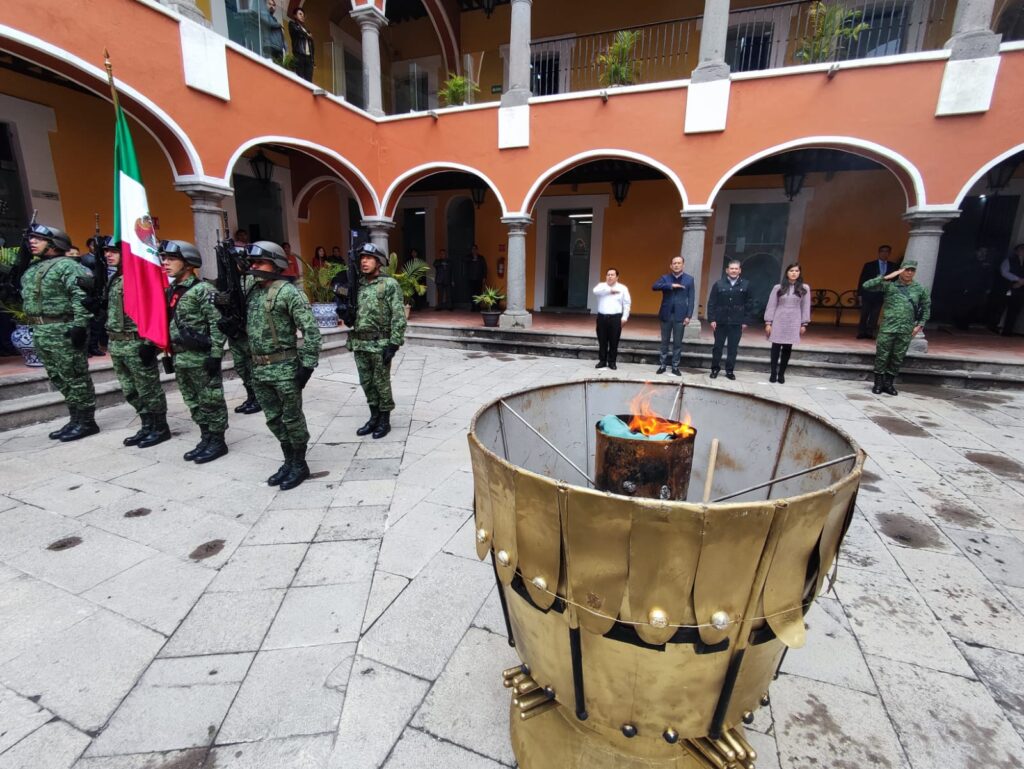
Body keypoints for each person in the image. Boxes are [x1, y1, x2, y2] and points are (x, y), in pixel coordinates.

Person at [245, 241, 322, 490]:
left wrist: (307, 366)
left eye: (259, 262)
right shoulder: (252, 291)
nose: (253, 266)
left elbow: (311, 331)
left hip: (284, 368)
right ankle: (288, 459)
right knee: (273, 419)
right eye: (252, 262)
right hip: (259, 368)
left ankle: (299, 463)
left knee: (292, 419)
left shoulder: (289, 292)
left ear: (275, 263)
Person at [21, 223, 99, 441]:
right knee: (59, 376)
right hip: (42, 330)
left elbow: (81, 297)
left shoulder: (68, 266)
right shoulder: (33, 268)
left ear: (55, 243)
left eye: (38, 239)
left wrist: (81, 325)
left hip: (63, 329)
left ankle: (86, 421)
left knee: (75, 376)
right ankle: (75, 418)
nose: (32, 242)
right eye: (31, 239)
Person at [161, 239, 230, 463]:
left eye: (172, 259)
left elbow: (217, 324)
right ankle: (206, 437)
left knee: (211, 400)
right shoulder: (171, 290)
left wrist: (215, 355)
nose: (166, 263)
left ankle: (218, 441)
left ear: (188, 263)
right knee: (192, 400)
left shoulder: (204, 290)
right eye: (165, 258)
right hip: (181, 356)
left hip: (201, 357)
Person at [103, 237, 170, 448]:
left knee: (148, 388)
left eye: (114, 251)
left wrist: (151, 342)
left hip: (136, 342)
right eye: (106, 251)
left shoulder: (140, 278)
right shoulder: (115, 278)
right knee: (130, 389)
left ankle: (160, 427)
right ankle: (146, 424)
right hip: (117, 342)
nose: (108, 255)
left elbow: (156, 310)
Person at [348, 242, 407, 439]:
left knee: (381, 383)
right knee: (367, 383)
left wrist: (394, 343)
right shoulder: (359, 284)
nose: (364, 261)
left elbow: (398, 315)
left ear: (379, 262)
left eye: (369, 258)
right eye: (362, 258)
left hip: (380, 343)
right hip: (359, 343)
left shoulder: (389, 284)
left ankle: (384, 420)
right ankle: (373, 417)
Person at [862, 259, 931, 396]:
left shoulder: (920, 289)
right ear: (901, 270)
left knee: (898, 356)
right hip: (888, 327)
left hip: (906, 328)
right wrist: (888, 276)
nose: (909, 273)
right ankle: (878, 383)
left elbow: (926, 307)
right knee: (882, 355)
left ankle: (889, 384)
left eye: (912, 270)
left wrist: (920, 325)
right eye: (906, 269)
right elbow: (866, 285)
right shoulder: (889, 286)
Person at [707, 259, 755, 380]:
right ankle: (714, 369)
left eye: (736, 268)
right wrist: (712, 319)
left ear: (740, 270)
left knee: (732, 348)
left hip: (736, 322)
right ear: (727, 270)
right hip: (720, 321)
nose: (733, 270)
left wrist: (745, 321)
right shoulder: (718, 284)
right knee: (717, 347)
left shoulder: (746, 284)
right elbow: (712, 303)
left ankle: (729, 371)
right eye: (731, 268)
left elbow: (750, 304)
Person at [763, 263, 811, 384]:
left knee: (787, 348)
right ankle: (773, 372)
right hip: (779, 319)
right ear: (787, 273)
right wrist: (769, 322)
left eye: (796, 271)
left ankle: (781, 374)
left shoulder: (804, 288)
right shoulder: (778, 288)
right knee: (775, 347)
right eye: (791, 271)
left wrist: (804, 323)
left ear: (799, 273)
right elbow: (771, 305)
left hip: (794, 320)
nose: (794, 273)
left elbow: (805, 306)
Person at [652, 255, 695, 376]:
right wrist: (670, 286)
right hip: (666, 314)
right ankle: (662, 365)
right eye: (674, 263)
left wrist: (689, 316)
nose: (676, 265)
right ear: (671, 265)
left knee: (677, 342)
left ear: (683, 265)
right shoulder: (665, 278)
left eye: (679, 263)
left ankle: (675, 366)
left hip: (681, 316)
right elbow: (654, 286)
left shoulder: (689, 279)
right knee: (664, 341)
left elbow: (691, 299)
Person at [592, 268, 631, 370]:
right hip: (602, 317)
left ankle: (612, 362)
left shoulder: (623, 288)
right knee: (602, 340)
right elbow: (595, 291)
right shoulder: (601, 286)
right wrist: (609, 290)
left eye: (612, 275)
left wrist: (625, 317)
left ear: (617, 277)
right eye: (608, 274)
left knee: (614, 341)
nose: (610, 276)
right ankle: (602, 361)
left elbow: (627, 303)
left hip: (616, 318)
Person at [856, 245, 897, 339]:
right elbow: (862, 279)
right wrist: (860, 294)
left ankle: (870, 332)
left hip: (881, 294)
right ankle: (861, 332)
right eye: (882, 251)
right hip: (868, 293)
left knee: (875, 314)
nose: (884, 253)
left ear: (889, 253)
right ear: (879, 253)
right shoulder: (869, 265)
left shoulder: (892, 266)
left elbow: (894, 280)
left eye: (887, 251)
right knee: (864, 313)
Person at [953, 246, 993, 330]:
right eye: (981, 251)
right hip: (968, 287)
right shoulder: (970, 262)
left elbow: (989, 277)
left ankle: (967, 323)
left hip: (980, 289)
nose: (983, 254)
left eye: (985, 252)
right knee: (964, 306)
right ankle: (959, 324)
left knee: (976, 306)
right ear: (976, 252)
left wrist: (988, 288)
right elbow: (964, 274)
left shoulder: (988, 264)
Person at [997, 243, 1024, 336]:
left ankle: (1008, 330)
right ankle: (993, 326)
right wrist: (1017, 280)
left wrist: (1021, 282)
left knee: (1015, 310)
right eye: (1021, 249)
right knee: (1001, 307)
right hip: (1009, 287)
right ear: (1016, 251)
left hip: (1020, 290)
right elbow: (1004, 272)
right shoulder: (1009, 260)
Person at [288, 8, 314, 82]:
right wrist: (307, 35)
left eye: (303, 14)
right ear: (295, 16)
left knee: (309, 81)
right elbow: (298, 31)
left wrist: (313, 59)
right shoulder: (292, 24)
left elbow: (312, 46)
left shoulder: (307, 30)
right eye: (300, 14)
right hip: (299, 55)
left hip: (309, 57)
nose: (302, 16)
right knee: (300, 79)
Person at [466, 244, 487, 310]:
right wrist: (472, 258)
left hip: (479, 278)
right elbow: (463, 260)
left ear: (477, 250)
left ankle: (478, 306)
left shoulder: (481, 258)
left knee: (478, 293)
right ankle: (473, 307)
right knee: (472, 293)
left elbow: (484, 268)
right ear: (471, 250)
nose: (474, 250)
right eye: (473, 249)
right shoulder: (468, 257)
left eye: (475, 249)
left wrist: (484, 277)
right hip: (471, 278)